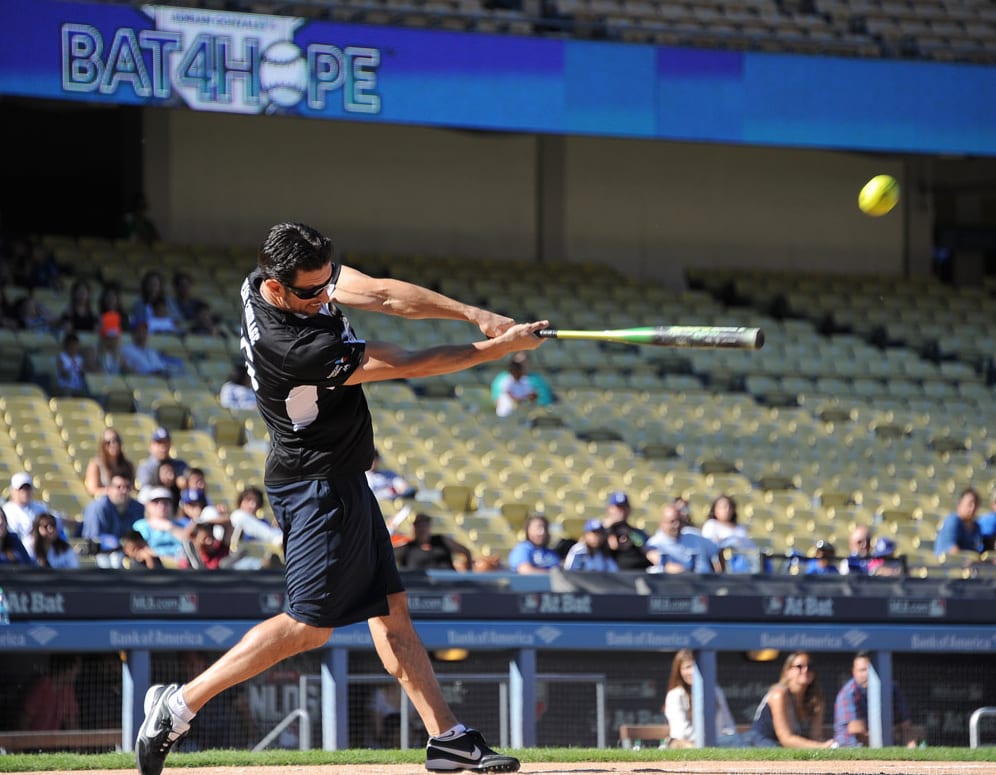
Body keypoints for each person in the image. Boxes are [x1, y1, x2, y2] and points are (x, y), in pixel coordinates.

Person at [134, 221, 543, 775]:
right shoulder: (296, 347)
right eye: (311, 291)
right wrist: (495, 349)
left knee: (392, 615)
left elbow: (381, 294)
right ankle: (177, 706)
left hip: (344, 478)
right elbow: (407, 362)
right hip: (314, 487)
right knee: (309, 626)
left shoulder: (281, 280)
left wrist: (477, 313)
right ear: (277, 290)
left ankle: (446, 738)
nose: (325, 295)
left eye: (328, 282)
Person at [746, 651, 837, 749]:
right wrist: (822, 746)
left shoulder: (816, 699)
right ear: (787, 672)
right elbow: (786, 739)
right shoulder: (779, 695)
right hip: (760, 742)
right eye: (799, 666)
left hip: (785, 747)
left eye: (810, 667)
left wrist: (831, 745)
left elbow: (815, 736)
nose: (805, 670)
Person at [833, 651, 916, 748]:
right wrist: (886, 735)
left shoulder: (892, 688)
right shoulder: (848, 692)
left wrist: (911, 745)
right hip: (851, 746)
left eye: (870, 669)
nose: (867, 674)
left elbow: (905, 724)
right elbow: (856, 729)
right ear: (854, 672)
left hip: (885, 742)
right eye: (862, 670)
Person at [662, 648, 740, 748]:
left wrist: (726, 738)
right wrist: (707, 742)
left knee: (738, 740)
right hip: (687, 745)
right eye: (687, 667)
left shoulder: (715, 691)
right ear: (679, 671)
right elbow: (680, 732)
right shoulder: (675, 695)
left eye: (696, 666)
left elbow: (728, 725)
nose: (693, 671)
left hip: (718, 743)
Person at [81, 473, 146, 555]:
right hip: (100, 554)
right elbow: (93, 539)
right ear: (109, 489)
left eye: (127, 487)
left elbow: (141, 538)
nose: (124, 491)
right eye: (118, 487)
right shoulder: (97, 508)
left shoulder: (138, 507)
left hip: (129, 554)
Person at [646, 503, 720, 574]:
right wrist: (684, 572)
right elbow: (663, 564)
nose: (677, 525)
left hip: (707, 582)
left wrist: (719, 574)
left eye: (680, 521)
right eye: (672, 522)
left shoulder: (694, 536)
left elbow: (717, 551)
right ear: (662, 523)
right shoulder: (655, 543)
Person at [19, 655, 81, 731]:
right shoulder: (42, 686)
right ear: (67, 668)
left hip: (52, 741)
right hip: (33, 740)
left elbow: (71, 724)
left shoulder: (68, 690)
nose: (78, 672)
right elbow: (24, 721)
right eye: (77, 667)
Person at [394, 512, 472, 571]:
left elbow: (466, 552)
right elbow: (388, 557)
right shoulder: (407, 548)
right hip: (419, 589)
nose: (422, 529)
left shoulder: (442, 541)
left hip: (447, 586)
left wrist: (469, 575)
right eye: (418, 525)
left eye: (424, 525)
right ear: (413, 528)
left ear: (429, 526)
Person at [134, 486, 193, 563]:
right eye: (156, 502)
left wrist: (171, 527)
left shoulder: (183, 524)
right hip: (154, 566)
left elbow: (192, 544)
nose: (161, 506)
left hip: (183, 566)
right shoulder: (141, 526)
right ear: (148, 505)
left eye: (165, 502)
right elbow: (139, 550)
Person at [3, 472, 61, 543]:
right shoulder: (6, 510)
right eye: (21, 489)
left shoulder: (41, 508)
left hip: (40, 547)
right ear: (13, 491)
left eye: (28, 488)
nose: (25, 492)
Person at [602, 491, 654, 570]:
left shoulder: (633, 532)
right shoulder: (600, 531)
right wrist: (608, 527)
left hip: (637, 573)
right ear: (609, 509)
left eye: (624, 508)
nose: (621, 511)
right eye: (618, 508)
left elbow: (644, 546)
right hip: (610, 576)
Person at [489, 351, 554, 409]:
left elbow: (544, 397)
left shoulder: (537, 378)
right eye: (519, 362)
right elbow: (498, 398)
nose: (522, 365)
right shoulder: (504, 378)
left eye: (525, 362)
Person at [84, 427, 136, 498]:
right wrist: (113, 491)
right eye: (108, 442)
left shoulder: (128, 466)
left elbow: (132, 489)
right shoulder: (96, 465)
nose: (113, 444)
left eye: (116, 440)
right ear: (103, 445)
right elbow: (93, 490)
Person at [934, 488, 984, 559]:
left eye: (975, 504)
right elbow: (953, 551)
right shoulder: (953, 521)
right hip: (948, 566)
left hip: (969, 567)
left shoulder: (976, 527)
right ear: (960, 504)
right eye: (970, 504)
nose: (973, 508)